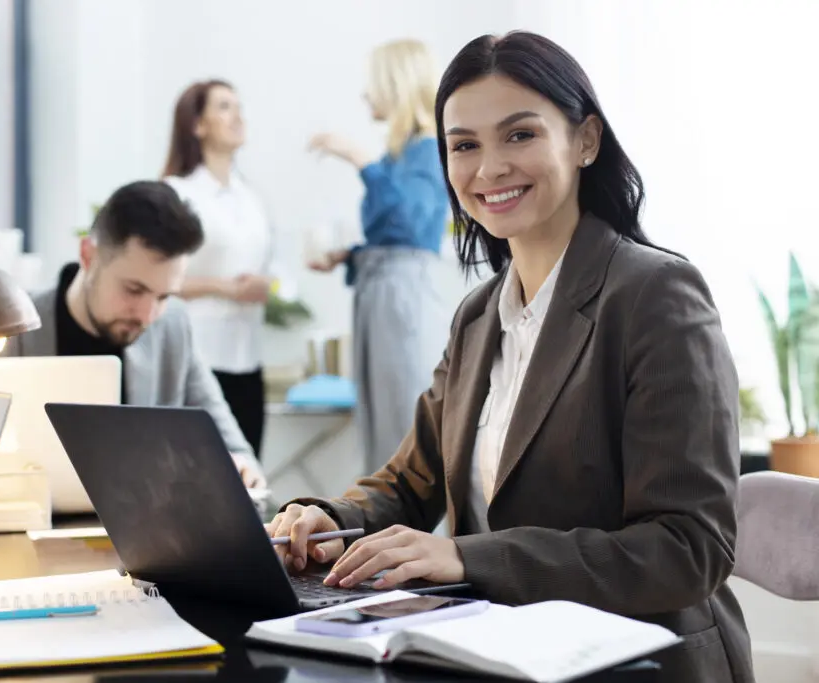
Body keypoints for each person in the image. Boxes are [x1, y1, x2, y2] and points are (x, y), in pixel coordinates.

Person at [268, 31, 752, 683]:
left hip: (638, 660)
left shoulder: (654, 295)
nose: (488, 168)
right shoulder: (478, 314)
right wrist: (333, 520)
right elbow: (413, 480)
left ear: (585, 140)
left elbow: (687, 550)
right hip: (498, 652)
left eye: (519, 135)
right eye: (464, 145)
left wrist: (468, 557)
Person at [0, 180, 266, 489]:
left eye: (163, 296)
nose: (147, 315)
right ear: (88, 255)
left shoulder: (172, 327)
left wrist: (238, 467)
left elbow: (235, 447)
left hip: (144, 538)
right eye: (134, 289)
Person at [307, 39, 451, 475]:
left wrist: (360, 160)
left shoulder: (427, 148)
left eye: (373, 84)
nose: (366, 95)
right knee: (377, 421)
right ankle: (381, 533)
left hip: (400, 294)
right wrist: (349, 255)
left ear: (396, 84)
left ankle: (411, 538)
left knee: (400, 422)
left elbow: (410, 224)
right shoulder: (399, 154)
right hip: (380, 290)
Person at [161, 79, 278, 459]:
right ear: (197, 125)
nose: (238, 115)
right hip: (201, 356)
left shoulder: (250, 196)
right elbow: (158, 278)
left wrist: (266, 285)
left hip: (248, 358)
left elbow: (265, 265)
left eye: (239, 106)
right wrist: (225, 288)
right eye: (224, 107)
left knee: (248, 478)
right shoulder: (178, 193)